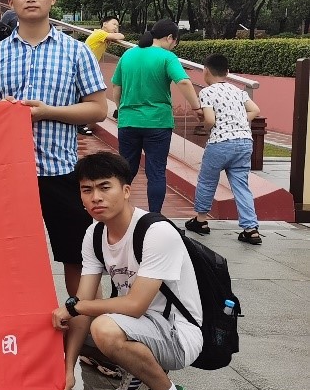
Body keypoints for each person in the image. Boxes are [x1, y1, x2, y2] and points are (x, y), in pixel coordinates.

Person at [0, 0, 107, 296]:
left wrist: (48, 112)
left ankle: (85, 323)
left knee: (76, 257)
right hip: (9, 177)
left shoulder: (76, 52)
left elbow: (98, 109)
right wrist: (1, 111)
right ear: (10, 2)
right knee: (9, 258)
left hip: (60, 173)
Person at [53, 151, 200, 390]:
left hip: (179, 335)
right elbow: (81, 306)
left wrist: (75, 307)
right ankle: (137, 374)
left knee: (103, 328)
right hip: (141, 327)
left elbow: (134, 305)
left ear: (126, 190)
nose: (96, 197)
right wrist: (67, 370)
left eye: (104, 187)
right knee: (74, 326)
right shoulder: (95, 235)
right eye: (87, 190)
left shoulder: (156, 232)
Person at [111, 19, 202, 214]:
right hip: (157, 123)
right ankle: (155, 217)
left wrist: (121, 109)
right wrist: (197, 107)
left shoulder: (128, 54)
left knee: (125, 171)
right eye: (175, 42)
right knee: (156, 172)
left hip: (128, 121)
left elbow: (116, 87)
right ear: (170, 37)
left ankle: (119, 213)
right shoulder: (167, 57)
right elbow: (184, 82)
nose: (174, 46)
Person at [186, 54, 263, 244]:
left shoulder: (207, 92)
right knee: (241, 185)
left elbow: (210, 120)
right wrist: (237, 122)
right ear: (227, 72)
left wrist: (205, 127)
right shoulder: (238, 91)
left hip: (220, 143)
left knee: (207, 181)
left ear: (205, 71)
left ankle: (201, 221)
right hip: (244, 142)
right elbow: (255, 110)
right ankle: (251, 229)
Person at [78, 16, 125, 135]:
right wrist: (117, 35)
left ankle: (81, 124)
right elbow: (120, 36)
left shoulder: (102, 36)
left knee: (83, 96)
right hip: (84, 69)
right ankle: (80, 124)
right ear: (104, 24)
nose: (116, 27)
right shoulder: (99, 33)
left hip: (87, 68)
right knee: (87, 97)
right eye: (114, 24)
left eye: (117, 26)